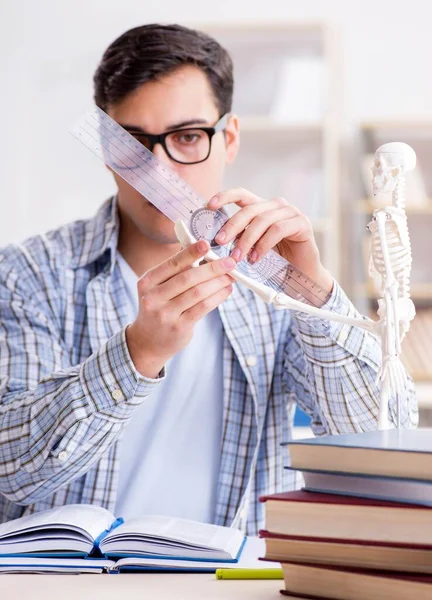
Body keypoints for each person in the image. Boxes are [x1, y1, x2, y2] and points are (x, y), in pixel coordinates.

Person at [0, 24, 417, 534]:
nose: (160, 169)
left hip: (230, 584)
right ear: (107, 150)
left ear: (230, 138)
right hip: (71, 583)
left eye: (188, 137)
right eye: (133, 142)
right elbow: (10, 471)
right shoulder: (28, 274)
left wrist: (313, 293)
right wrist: (137, 354)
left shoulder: (276, 281)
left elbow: (381, 444)